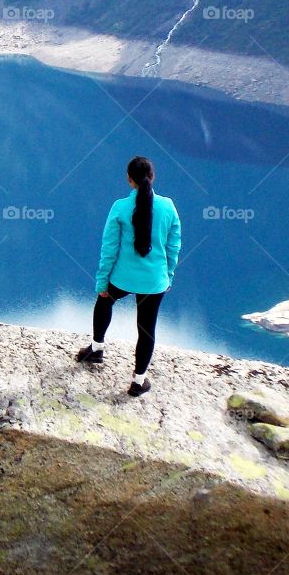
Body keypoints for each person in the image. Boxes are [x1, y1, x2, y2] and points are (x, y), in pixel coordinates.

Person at [77, 156, 182, 397]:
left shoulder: (120, 207)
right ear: (152, 177)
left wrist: (102, 281)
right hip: (154, 282)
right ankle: (138, 381)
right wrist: (168, 276)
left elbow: (109, 248)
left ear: (129, 179)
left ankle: (97, 349)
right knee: (146, 330)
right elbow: (173, 246)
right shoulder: (168, 207)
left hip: (121, 278)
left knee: (104, 300)